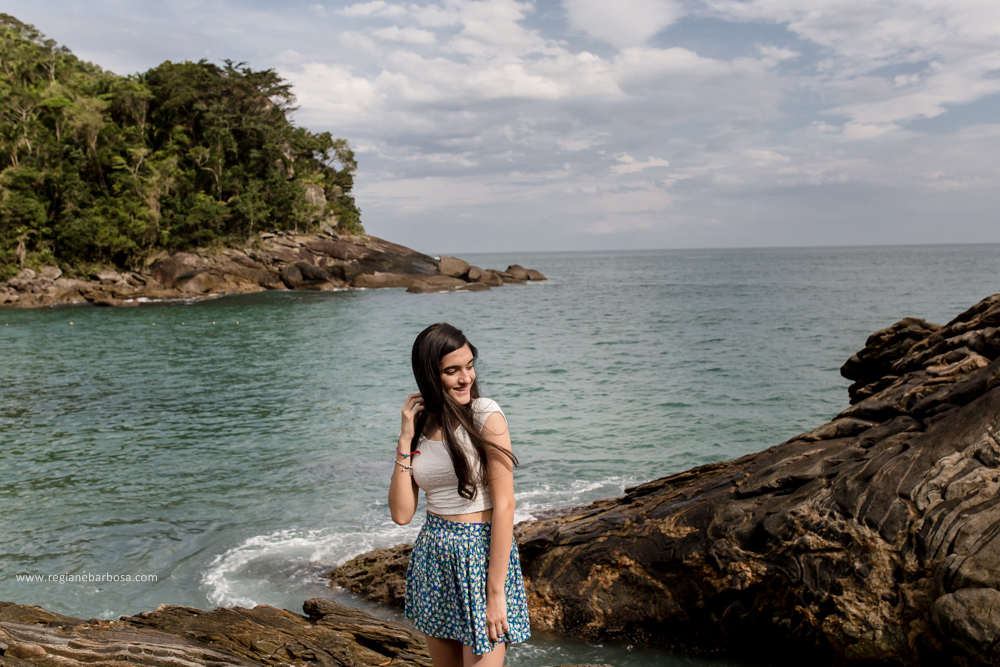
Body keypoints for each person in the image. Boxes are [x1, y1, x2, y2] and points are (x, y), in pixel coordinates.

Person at [388, 322, 531, 667]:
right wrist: (405, 439)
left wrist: (495, 594)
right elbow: (402, 514)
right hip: (434, 559)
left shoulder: (485, 415)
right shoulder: (423, 426)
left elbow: (505, 504)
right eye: (452, 371)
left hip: (480, 559)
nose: (466, 378)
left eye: (469, 366)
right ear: (429, 375)